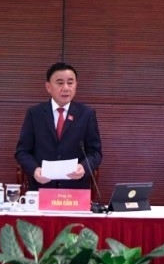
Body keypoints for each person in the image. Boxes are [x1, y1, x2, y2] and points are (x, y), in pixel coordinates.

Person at [15, 62, 102, 191]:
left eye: (70, 83)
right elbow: (22, 151)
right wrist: (35, 170)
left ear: (76, 85)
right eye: (60, 83)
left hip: (74, 189)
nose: (66, 88)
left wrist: (83, 167)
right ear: (48, 87)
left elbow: (95, 153)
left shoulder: (86, 114)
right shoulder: (35, 114)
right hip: (42, 188)